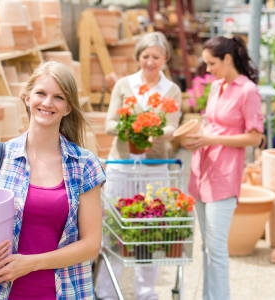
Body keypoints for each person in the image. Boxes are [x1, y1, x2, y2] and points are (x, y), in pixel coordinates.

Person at [0, 61, 106, 299]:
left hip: (63, 292)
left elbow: (91, 244)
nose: (48, 103)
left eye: (58, 97)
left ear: (68, 107)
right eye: (41, 93)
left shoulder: (84, 165)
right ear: (27, 97)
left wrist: (30, 264)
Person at [95, 32, 182, 300]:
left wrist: (154, 131)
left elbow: (173, 126)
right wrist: (130, 129)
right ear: (138, 58)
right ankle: (106, 292)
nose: (150, 61)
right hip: (121, 164)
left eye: (156, 56)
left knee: (149, 230)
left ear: (165, 58)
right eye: (145, 56)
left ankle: (146, 293)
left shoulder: (172, 90)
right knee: (114, 227)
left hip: (155, 166)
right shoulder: (124, 85)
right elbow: (109, 123)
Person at [185, 35, 264, 300]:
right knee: (207, 248)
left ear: (227, 59)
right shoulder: (218, 86)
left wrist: (211, 138)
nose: (208, 70)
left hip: (224, 176)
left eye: (211, 63)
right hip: (202, 172)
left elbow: (255, 137)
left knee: (217, 251)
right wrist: (198, 138)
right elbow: (212, 124)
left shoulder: (247, 91)